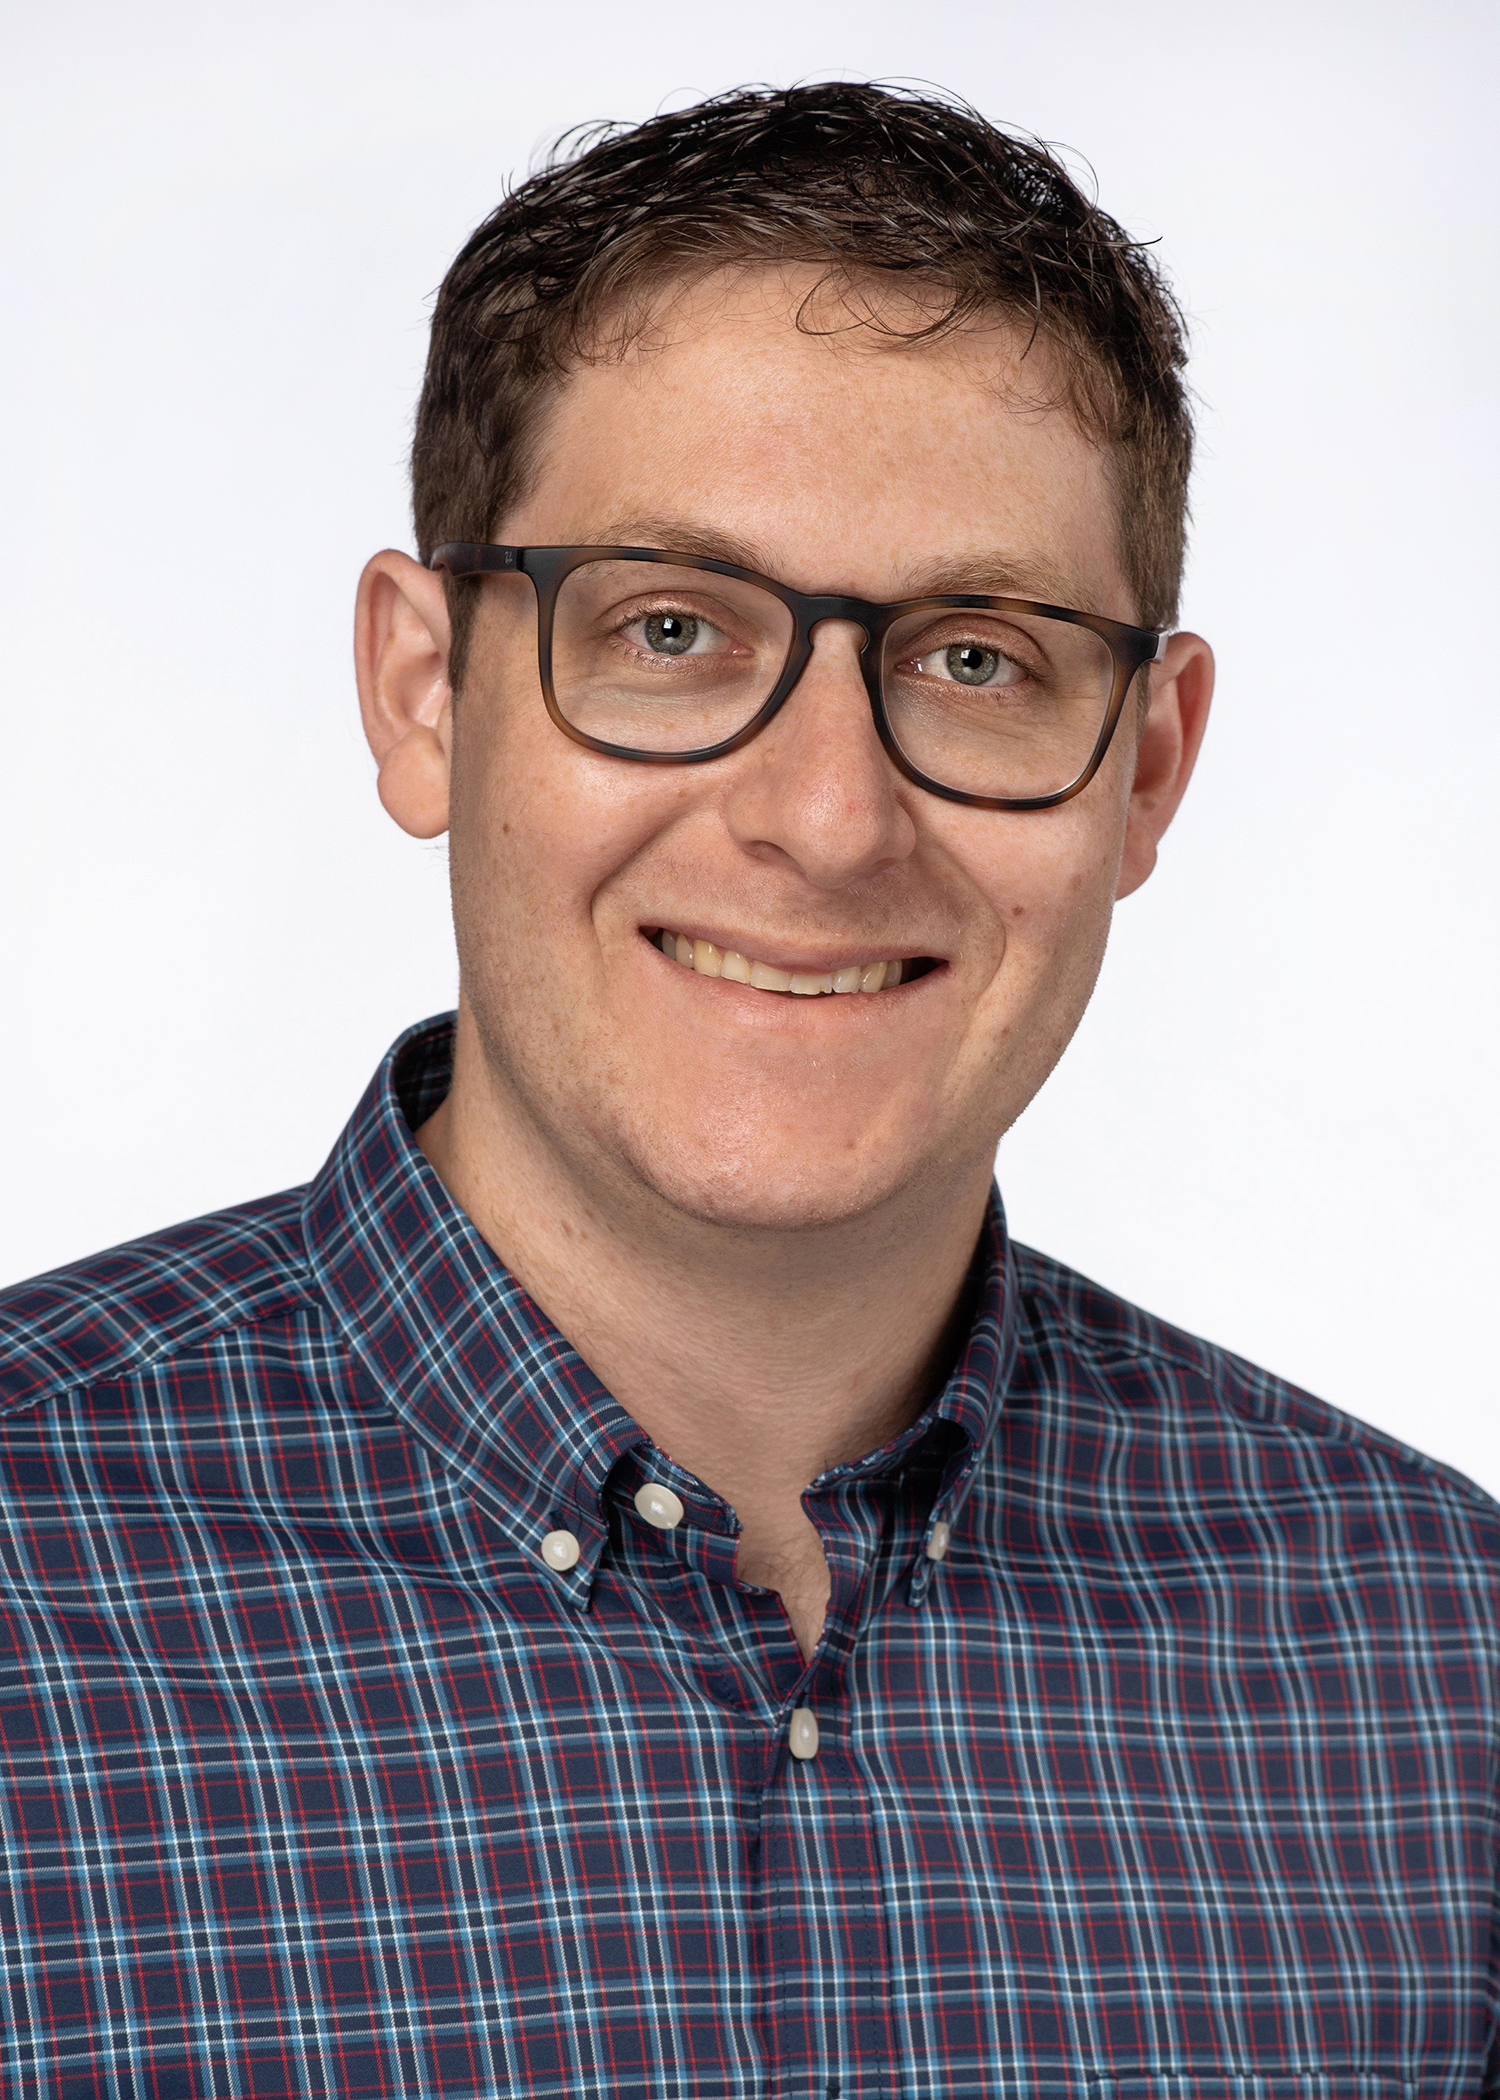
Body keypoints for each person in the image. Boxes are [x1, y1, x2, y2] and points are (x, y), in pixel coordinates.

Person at [0, 79, 1494, 2100]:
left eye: (979, 659)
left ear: (1145, 769)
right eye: (674, 629)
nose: (827, 817)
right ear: (425, 691)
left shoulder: (1440, 1666)